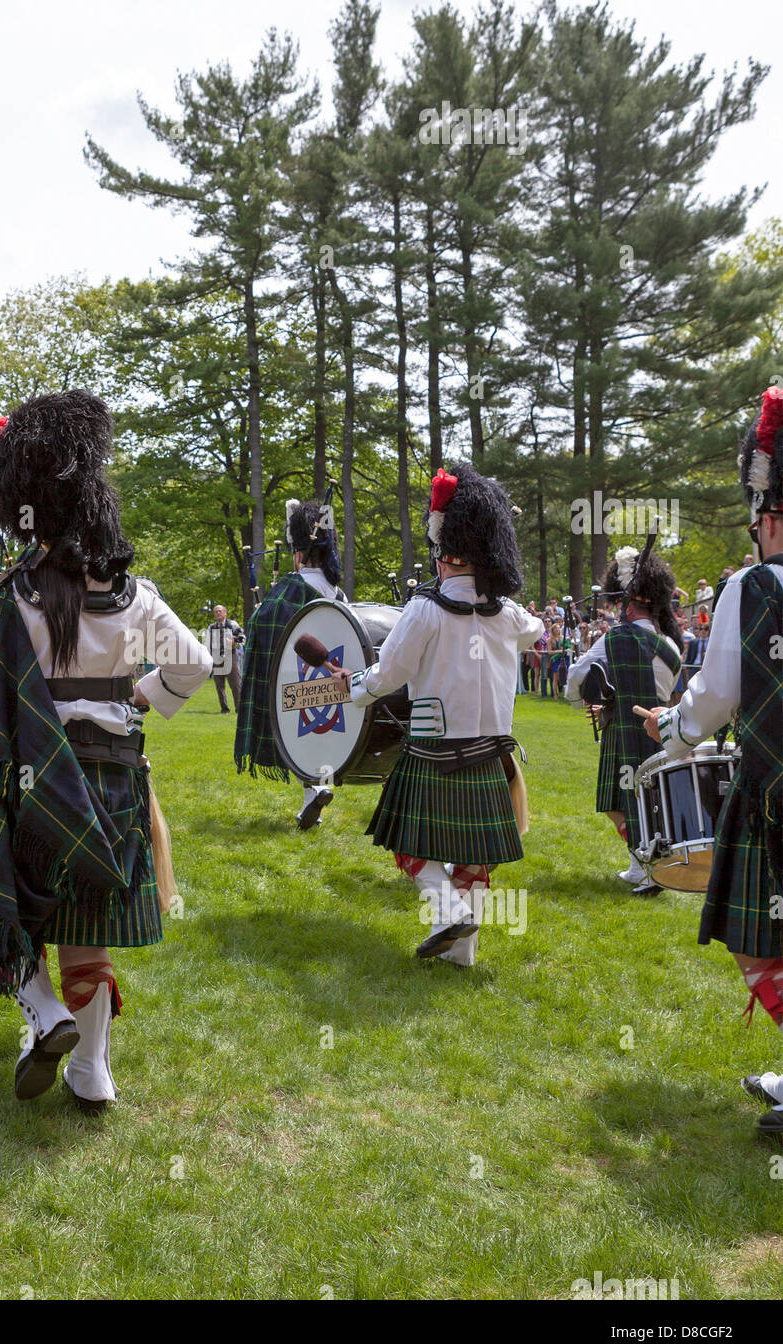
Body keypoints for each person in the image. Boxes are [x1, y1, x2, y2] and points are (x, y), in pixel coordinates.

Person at [0, 391, 211, 1111]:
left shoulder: (9, 598)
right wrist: (136, 700)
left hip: (32, 780)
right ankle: (93, 1073)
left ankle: (46, 1014)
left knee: (13, 908)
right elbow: (192, 670)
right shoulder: (134, 597)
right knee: (87, 930)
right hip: (114, 779)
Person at [642, 384, 783, 1140]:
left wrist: (672, 724)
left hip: (772, 796)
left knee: (755, 942)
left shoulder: (752, 586)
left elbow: (713, 699)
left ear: (763, 504)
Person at [331, 466, 542, 966]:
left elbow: (388, 676)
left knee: (408, 846)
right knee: (474, 860)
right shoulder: (509, 613)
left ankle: (447, 912)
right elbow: (534, 630)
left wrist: (351, 687)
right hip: (492, 753)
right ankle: (462, 954)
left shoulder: (424, 609)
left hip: (434, 749)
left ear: (443, 548)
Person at [565, 545, 682, 893]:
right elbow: (660, 690)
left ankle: (647, 862)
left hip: (624, 735)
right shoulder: (673, 647)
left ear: (628, 605)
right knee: (649, 803)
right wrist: (609, 703)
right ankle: (639, 866)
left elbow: (576, 676)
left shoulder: (614, 638)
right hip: (660, 731)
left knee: (617, 804)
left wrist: (580, 701)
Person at [235, 498, 347, 830]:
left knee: (297, 739)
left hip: (291, 683)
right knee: (314, 739)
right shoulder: (337, 592)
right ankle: (312, 795)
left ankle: (314, 791)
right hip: (332, 683)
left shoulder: (289, 588)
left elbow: (263, 628)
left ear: (298, 551)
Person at [206, 604, 244, 713]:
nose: (218, 613)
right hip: (216, 657)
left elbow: (242, 638)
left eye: (220, 611)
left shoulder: (232, 624)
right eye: (216, 612)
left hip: (230, 656)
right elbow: (207, 644)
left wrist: (234, 643)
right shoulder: (211, 627)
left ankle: (239, 709)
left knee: (235, 684)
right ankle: (224, 709)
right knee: (219, 685)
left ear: (225, 613)